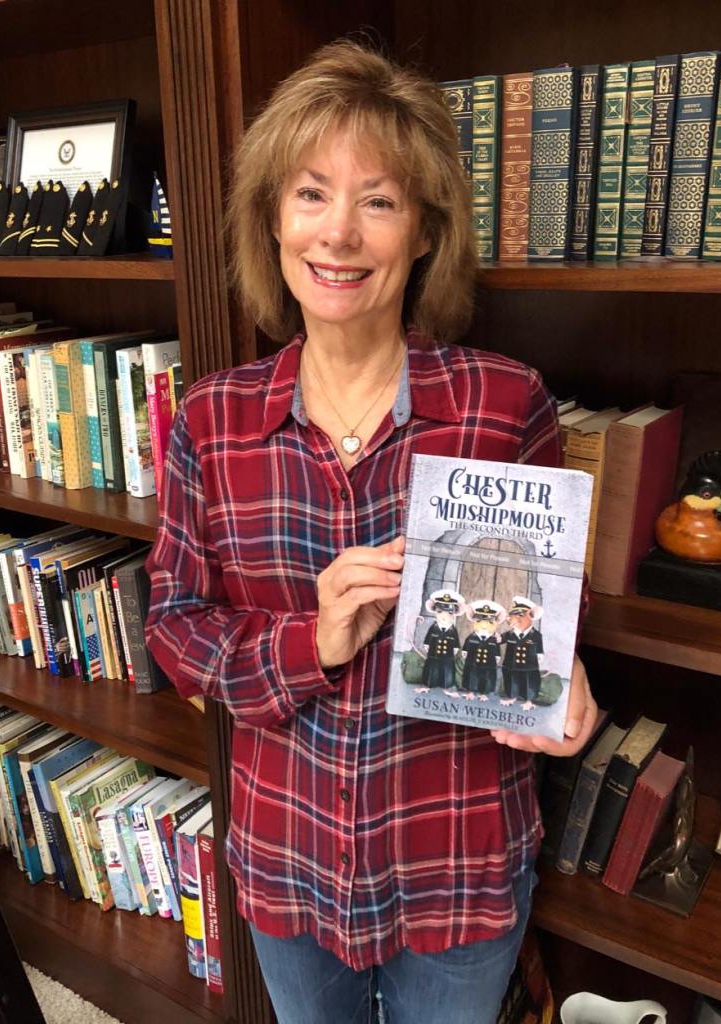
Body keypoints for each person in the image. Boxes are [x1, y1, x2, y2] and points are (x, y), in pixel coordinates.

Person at [145, 39, 597, 1024]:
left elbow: (547, 603)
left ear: (424, 230)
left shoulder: (503, 404)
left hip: (458, 863)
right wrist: (308, 642)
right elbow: (174, 629)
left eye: (379, 201)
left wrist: (561, 676)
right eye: (311, 193)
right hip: (288, 860)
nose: (339, 233)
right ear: (272, 218)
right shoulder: (213, 420)